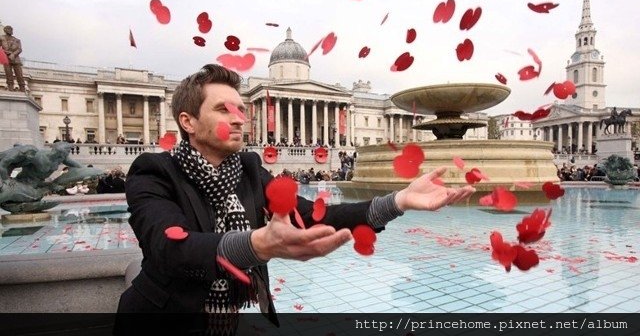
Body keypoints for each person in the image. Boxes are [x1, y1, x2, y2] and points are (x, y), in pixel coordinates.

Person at [115, 64, 474, 334]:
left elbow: (315, 216)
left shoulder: (250, 168)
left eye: (241, 110)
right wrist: (258, 244)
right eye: (224, 110)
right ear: (188, 122)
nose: (240, 120)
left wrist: (398, 202)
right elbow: (169, 248)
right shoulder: (154, 170)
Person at [0, 25, 26, 92]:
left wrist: (13, 54)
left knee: (19, 74)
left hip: (15, 59)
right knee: (8, 74)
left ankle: (22, 88)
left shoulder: (17, 40)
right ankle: (10, 89)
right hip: (6, 58)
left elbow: (20, 49)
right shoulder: (1, 38)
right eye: (9, 29)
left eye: (11, 29)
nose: (11, 31)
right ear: (5, 30)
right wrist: (7, 53)